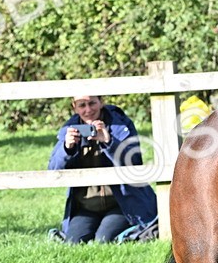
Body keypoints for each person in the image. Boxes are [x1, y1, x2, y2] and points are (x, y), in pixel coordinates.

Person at [47, 95, 158, 243]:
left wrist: (109, 142)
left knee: (103, 239)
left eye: (92, 103)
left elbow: (135, 164)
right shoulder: (70, 128)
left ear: (101, 102)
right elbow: (53, 169)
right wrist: (67, 148)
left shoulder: (121, 125)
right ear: (74, 107)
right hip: (86, 206)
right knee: (73, 241)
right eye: (82, 105)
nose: (88, 110)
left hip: (121, 204)